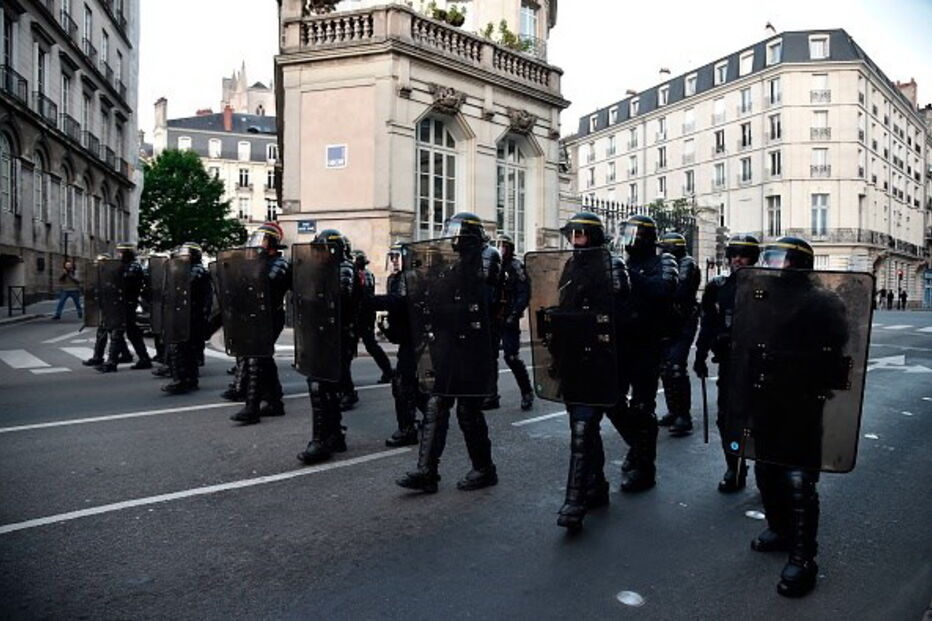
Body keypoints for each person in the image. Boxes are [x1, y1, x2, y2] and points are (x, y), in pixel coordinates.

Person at [739, 235, 850, 598]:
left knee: (799, 479)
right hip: (766, 396)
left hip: (802, 399)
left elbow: (836, 349)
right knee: (765, 466)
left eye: (779, 259)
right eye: (769, 258)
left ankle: (804, 557)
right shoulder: (763, 296)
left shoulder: (823, 301)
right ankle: (779, 527)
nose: (771, 265)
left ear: (798, 264)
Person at [396, 212, 502, 494]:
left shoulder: (486, 257)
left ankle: (484, 468)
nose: (451, 238)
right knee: (436, 405)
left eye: (456, 232)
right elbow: (437, 295)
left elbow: (480, 296)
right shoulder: (453, 266)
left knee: (468, 411)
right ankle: (427, 471)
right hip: (450, 345)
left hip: (475, 347)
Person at [542, 212, 630, 530]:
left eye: (579, 235)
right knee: (584, 427)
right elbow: (567, 303)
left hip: (600, 357)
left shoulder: (612, 265)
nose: (574, 240)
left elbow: (619, 316)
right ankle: (596, 486)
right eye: (571, 235)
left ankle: (574, 501)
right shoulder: (570, 266)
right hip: (573, 357)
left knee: (584, 426)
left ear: (592, 236)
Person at [606, 214, 677, 492]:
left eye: (633, 234)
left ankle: (645, 468)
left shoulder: (664, 262)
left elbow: (663, 291)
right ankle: (638, 447)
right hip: (621, 344)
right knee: (612, 401)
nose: (628, 240)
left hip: (647, 346)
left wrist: (627, 274)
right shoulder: (621, 263)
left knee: (642, 407)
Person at [693, 234, 761, 492]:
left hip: (761, 365)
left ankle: (767, 468)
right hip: (731, 364)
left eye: (743, 254)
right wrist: (700, 355)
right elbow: (708, 324)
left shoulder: (770, 288)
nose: (737, 260)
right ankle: (735, 465)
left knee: (759, 420)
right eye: (733, 254)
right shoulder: (718, 287)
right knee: (727, 419)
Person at [297, 229, 358, 464]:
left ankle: (322, 440)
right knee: (327, 388)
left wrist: (312, 294)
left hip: (337, 336)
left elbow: (339, 297)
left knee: (320, 387)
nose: (319, 254)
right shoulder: (324, 270)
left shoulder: (343, 268)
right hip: (324, 335)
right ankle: (333, 435)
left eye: (322, 249)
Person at [229, 222, 291, 424]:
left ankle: (252, 407)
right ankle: (274, 401)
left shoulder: (279, 264)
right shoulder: (257, 261)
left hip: (271, 316)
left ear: (272, 243)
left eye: (262, 240)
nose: (257, 244)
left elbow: (264, 284)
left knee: (256, 356)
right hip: (256, 315)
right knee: (263, 358)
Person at [370, 242, 423, 447]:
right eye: (391, 257)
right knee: (412, 385)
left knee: (403, 383)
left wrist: (370, 301)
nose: (393, 261)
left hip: (417, 339)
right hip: (408, 338)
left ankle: (407, 429)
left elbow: (398, 302)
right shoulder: (396, 278)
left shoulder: (412, 278)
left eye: (396, 257)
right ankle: (431, 415)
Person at [656, 232, 700, 436]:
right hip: (667, 321)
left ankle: (684, 415)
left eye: (665, 249)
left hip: (683, 321)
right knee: (665, 368)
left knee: (676, 366)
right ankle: (674, 411)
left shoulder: (687, 264)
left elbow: (678, 290)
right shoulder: (664, 264)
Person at [483, 233, 534, 412]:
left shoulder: (516, 266)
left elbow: (524, 293)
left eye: (503, 245)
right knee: (489, 357)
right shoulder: (490, 266)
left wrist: (515, 313)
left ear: (510, 248)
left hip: (508, 317)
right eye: (497, 245)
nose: (500, 248)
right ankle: (491, 395)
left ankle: (527, 392)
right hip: (492, 318)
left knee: (511, 357)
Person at [161, 243, 212, 394]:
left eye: (185, 254)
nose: (182, 257)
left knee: (181, 347)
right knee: (187, 349)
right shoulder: (192, 270)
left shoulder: (196, 271)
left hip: (190, 315)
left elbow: (182, 287)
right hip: (187, 314)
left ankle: (182, 380)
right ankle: (189, 379)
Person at [97, 243, 152, 373]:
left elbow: (124, 282)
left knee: (117, 332)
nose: (118, 255)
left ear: (127, 253)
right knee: (133, 333)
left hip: (127, 303)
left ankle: (112, 362)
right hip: (120, 303)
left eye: (121, 252)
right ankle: (144, 359)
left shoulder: (134, 266)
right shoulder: (123, 265)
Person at [81, 253, 132, 367]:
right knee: (105, 332)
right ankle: (119, 355)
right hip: (105, 307)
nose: (101, 263)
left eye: (103, 261)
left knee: (114, 333)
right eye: (99, 261)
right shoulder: (99, 273)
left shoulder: (115, 272)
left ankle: (108, 359)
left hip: (115, 306)